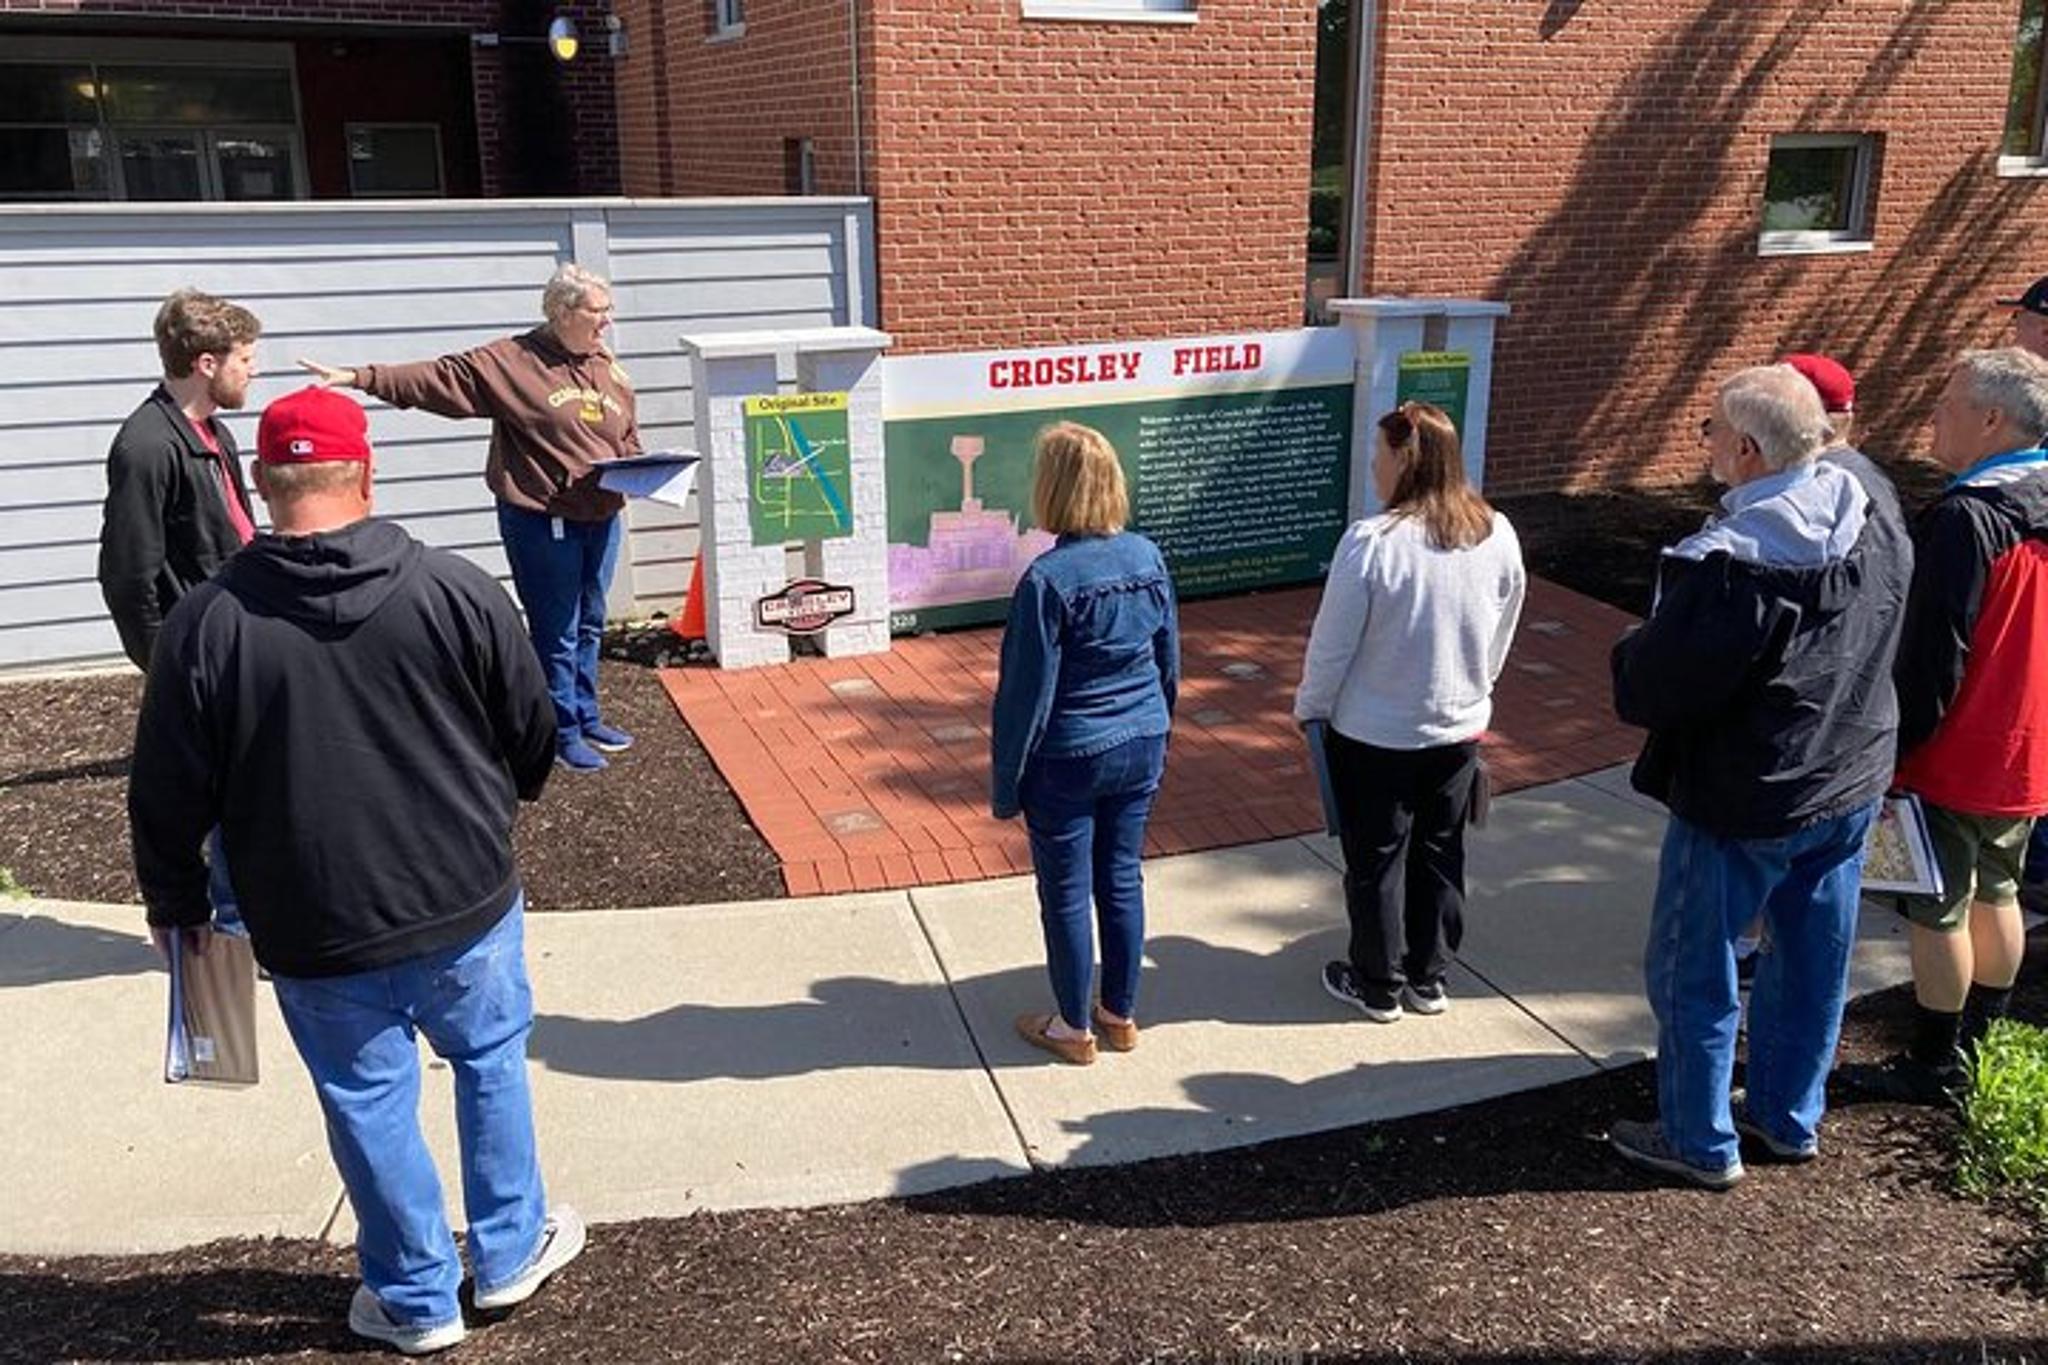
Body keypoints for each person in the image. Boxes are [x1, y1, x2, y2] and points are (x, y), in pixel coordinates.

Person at [128, 386, 581, 1355]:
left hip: (309, 923)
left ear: (258, 482)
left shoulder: (205, 626)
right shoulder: (456, 589)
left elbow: (167, 793)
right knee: (489, 1064)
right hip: (463, 898)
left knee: (366, 1101)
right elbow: (533, 737)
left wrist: (173, 906)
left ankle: (416, 1300)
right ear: (366, 475)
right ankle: (506, 1253)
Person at [1607, 364, 1910, 1190]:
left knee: (1693, 965)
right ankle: (1787, 1115)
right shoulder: (1873, 507)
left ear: (1745, 448)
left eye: (1708, 429)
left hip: (1748, 797)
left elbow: (1653, 689)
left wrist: (1634, 648)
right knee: (1815, 956)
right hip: (1848, 778)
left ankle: (1698, 1140)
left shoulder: (1734, 564)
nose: (1702, 440)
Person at [298, 263, 639, 773]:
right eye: (598, 311)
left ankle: (586, 714)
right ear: (564, 312)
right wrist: (359, 377)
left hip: (602, 512)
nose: (607, 321)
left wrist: (641, 463)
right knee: (557, 628)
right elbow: (438, 378)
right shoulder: (512, 361)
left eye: (608, 310)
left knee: (590, 621)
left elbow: (625, 429)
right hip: (544, 516)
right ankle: (557, 730)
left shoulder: (605, 364)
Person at [1839, 347, 2048, 1105]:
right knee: (2001, 891)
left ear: (1993, 419)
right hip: (2027, 741)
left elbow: (1935, 652)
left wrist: (1894, 748)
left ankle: (1932, 1060)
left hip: (1958, 745)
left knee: (1940, 906)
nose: (1934, 411)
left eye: (1949, 400)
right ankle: (1984, 1043)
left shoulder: (1968, 518)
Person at [1295, 401, 1525, 1023]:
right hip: (1459, 727)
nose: (1373, 467)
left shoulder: (1371, 544)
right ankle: (1429, 975)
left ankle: (1377, 982)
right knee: (1440, 850)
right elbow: (1506, 622)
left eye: (1378, 455)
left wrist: (1310, 709)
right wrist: (1480, 687)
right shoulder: (1497, 533)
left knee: (1376, 860)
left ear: (1404, 458)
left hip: (1374, 734)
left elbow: (1332, 645)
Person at [992, 422, 1179, 1066]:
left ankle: (1073, 1029)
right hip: (1142, 738)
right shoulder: (1147, 557)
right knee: (1121, 878)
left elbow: (1024, 697)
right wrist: (1160, 723)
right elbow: (1168, 661)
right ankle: (1120, 1015)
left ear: (1052, 488)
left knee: (1067, 891)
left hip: (1071, 754)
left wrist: (1006, 784)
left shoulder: (1048, 581)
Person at [97, 288, 262, 935]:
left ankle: (250, 918)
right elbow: (126, 572)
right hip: (196, 652)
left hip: (234, 634)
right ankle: (237, 928)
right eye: (245, 358)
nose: (253, 369)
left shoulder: (210, 430)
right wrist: (166, 662)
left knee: (249, 787)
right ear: (206, 363)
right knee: (225, 795)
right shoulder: (146, 445)